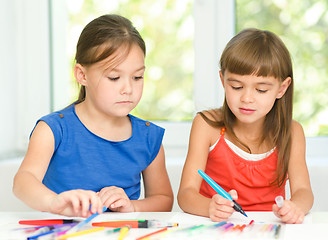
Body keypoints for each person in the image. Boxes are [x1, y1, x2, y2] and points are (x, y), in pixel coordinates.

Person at [13, 14, 173, 217]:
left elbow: (163, 199)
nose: (128, 88)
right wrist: (54, 202)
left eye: (137, 77)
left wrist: (132, 207)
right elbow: (23, 182)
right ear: (82, 75)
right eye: (114, 77)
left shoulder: (148, 138)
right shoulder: (53, 130)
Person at [177, 28, 313, 224]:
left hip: (268, 229)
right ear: (223, 80)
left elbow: (304, 191)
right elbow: (186, 194)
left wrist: (296, 207)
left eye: (261, 89)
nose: (247, 98)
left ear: (281, 88)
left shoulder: (292, 132)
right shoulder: (206, 125)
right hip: (217, 228)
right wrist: (209, 206)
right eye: (237, 87)